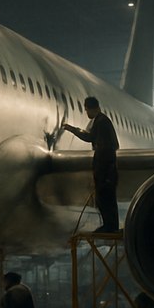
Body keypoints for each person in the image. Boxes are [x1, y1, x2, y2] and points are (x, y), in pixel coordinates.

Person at [63, 96, 120, 232]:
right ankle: (111, 225)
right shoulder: (102, 121)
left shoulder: (101, 122)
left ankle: (110, 226)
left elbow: (90, 138)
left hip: (105, 167)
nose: (86, 113)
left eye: (87, 110)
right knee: (107, 199)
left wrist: (72, 129)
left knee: (105, 198)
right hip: (107, 167)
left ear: (92, 109)